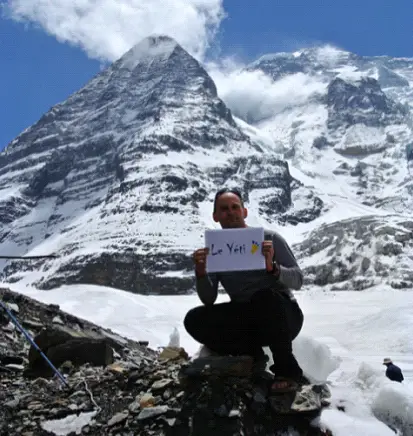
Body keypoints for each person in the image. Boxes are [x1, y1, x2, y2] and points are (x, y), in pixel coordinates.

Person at [184, 187, 306, 392]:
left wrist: (274, 269)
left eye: (235, 207)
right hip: (247, 318)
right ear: (215, 216)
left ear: (244, 211)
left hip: (283, 317)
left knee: (265, 297)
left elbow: (298, 279)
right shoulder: (216, 249)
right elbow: (208, 299)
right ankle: (250, 355)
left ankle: (287, 370)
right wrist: (201, 273)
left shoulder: (270, 239)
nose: (230, 212)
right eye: (224, 209)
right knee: (194, 319)